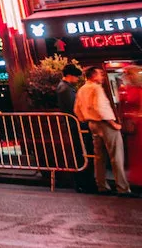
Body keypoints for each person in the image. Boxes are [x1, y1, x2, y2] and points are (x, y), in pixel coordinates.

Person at [74, 67, 133, 196]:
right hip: (105, 123)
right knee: (116, 155)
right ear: (94, 76)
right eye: (100, 74)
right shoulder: (96, 88)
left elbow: (77, 109)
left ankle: (102, 185)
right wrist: (113, 123)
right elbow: (100, 107)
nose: (102, 77)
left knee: (99, 157)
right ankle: (122, 188)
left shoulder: (82, 89)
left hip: (92, 124)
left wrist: (85, 119)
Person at [56, 64, 90, 193]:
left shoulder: (65, 87)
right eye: (76, 76)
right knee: (80, 152)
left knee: (79, 152)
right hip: (74, 125)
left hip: (73, 124)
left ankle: (82, 182)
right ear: (70, 75)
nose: (77, 79)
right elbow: (73, 108)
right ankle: (82, 182)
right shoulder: (65, 89)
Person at [118, 65, 142, 187]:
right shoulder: (128, 88)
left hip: (137, 122)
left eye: (127, 74)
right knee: (135, 151)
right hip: (133, 122)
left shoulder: (136, 89)